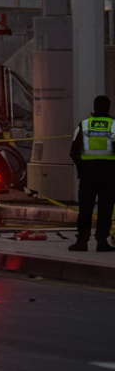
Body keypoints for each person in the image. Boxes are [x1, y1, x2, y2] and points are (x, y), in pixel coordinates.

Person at [69, 94, 115, 252]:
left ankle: (82, 242)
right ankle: (102, 242)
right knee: (105, 209)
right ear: (108, 107)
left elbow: (73, 152)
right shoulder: (113, 125)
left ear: (94, 107)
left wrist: (83, 168)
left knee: (85, 208)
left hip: (88, 173)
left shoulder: (84, 125)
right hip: (109, 174)